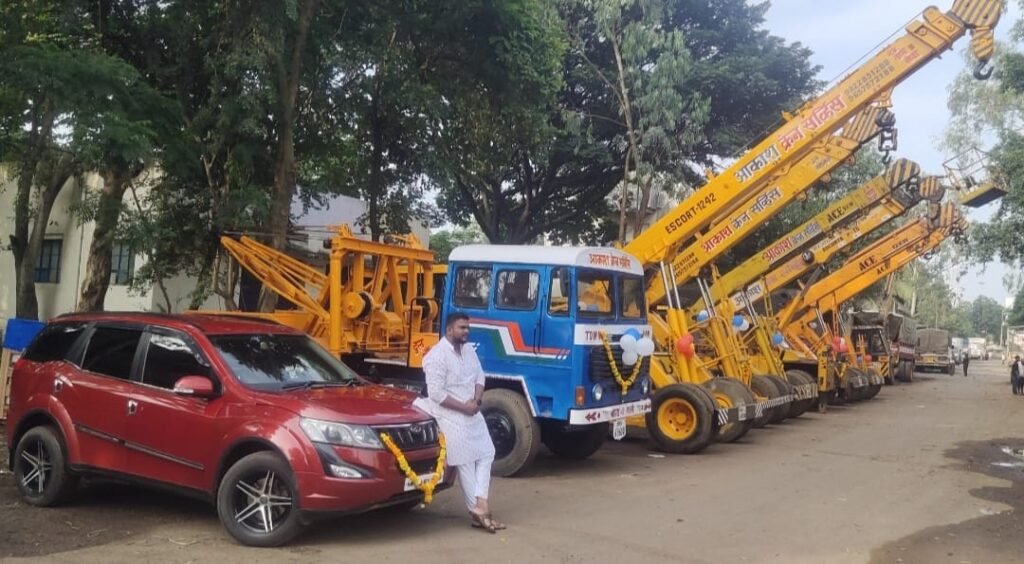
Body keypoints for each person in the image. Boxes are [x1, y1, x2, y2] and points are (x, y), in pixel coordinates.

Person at [414, 312, 505, 533]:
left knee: (487, 452)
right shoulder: (436, 356)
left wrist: (476, 401)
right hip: (449, 413)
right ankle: (479, 512)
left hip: (471, 410)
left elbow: (480, 376)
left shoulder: (468, 350)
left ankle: (480, 504)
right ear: (449, 330)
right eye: (462, 328)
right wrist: (464, 408)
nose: (466, 331)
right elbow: (436, 394)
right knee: (465, 461)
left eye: (467, 328)